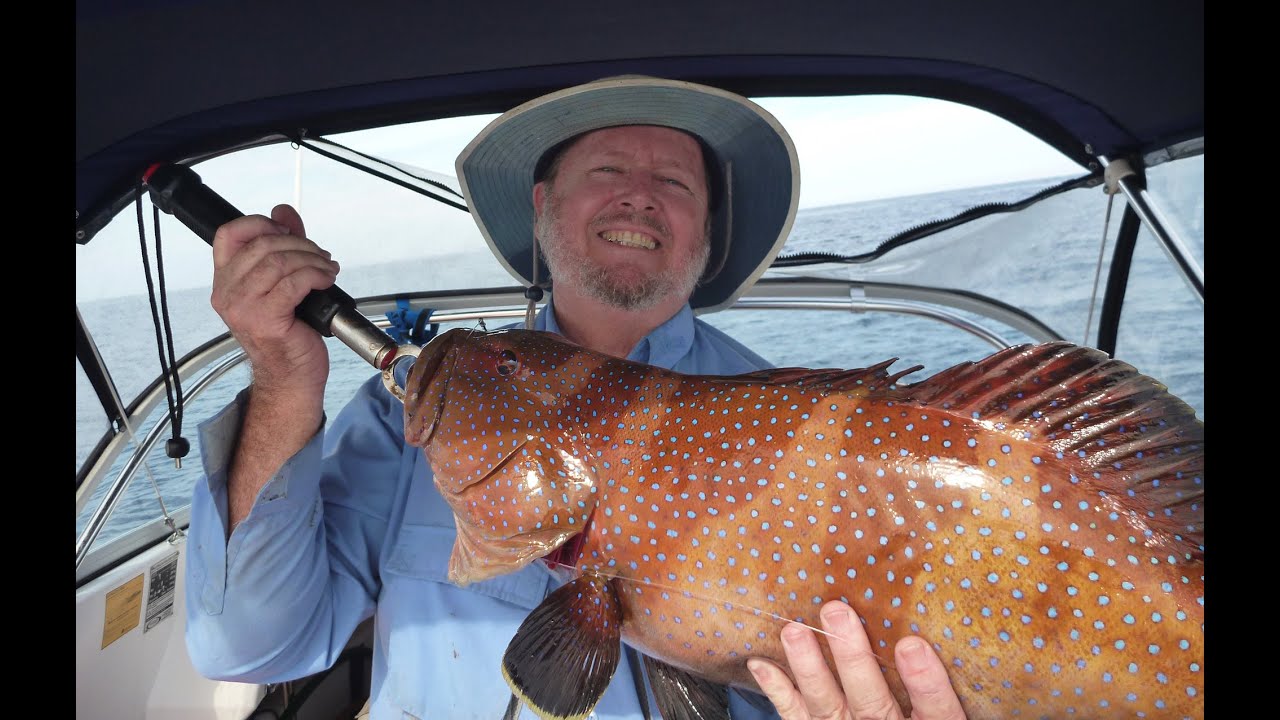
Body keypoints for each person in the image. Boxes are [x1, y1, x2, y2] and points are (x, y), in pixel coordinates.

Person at [184, 75, 968, 720]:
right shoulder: (412, 416)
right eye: (606, 171)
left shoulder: (801, 429)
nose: (639, 197)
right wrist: (286, 377)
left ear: (705, 233)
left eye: (673, 181)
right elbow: (248, 648)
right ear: (542, 203)